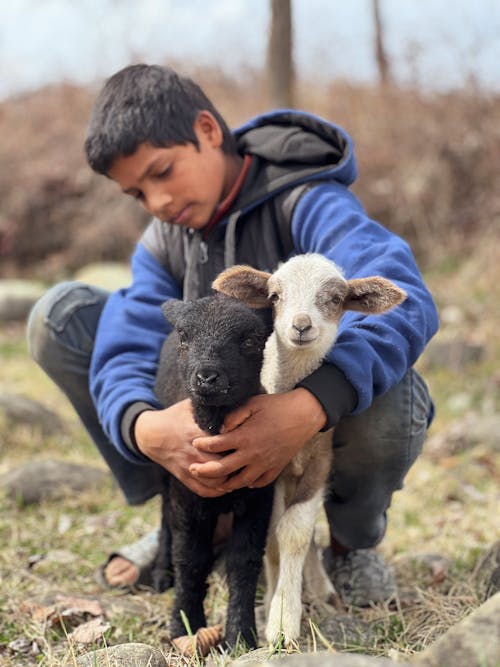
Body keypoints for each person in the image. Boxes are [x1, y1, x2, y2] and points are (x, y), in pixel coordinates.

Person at [27, 63, 439, 606]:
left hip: (306, 417)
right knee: (61, 317)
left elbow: (404, 294)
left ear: (207, 130)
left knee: (394, 390)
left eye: (162, 171)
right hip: (215, 406)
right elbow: (129, 337)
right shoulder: (167, 237)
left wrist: (313, 403)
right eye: (137, 194)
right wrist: (144, 426)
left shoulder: (305, 198)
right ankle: (188, 516)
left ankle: (346, 544)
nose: (157, 203)